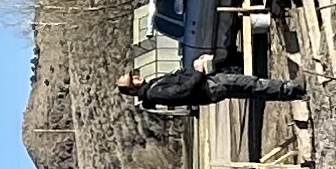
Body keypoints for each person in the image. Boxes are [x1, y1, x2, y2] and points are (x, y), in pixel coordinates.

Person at [119, 56, 306, 112]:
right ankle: (291, 89)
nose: (136, 77)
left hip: (208, 87)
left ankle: (292, 94)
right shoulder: (154, 93)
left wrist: (193, 67)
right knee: (251, 84)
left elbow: (180, 77)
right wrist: (199, 71)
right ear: (132, 89)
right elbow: (182, 92)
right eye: (132, 80)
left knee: (251, 91)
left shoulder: (153, 87)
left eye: (133, 75)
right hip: (209, 87)